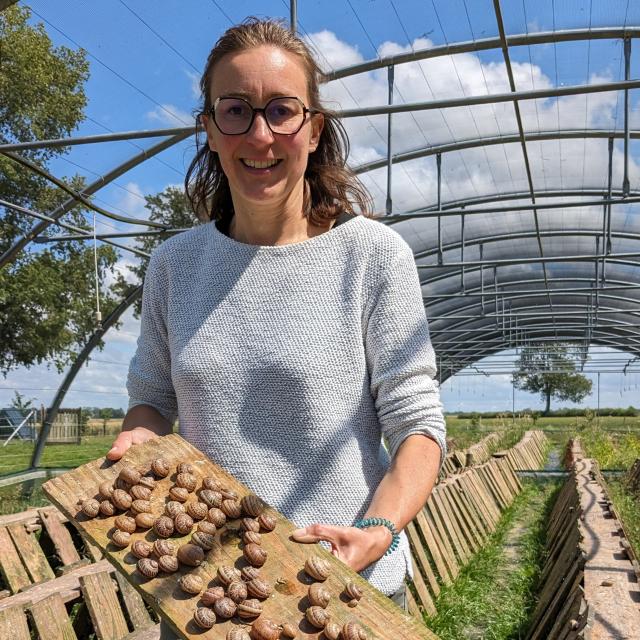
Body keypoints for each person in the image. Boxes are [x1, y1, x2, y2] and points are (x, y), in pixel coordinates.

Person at [108, 17, 446, 617]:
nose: (260, 135)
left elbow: (417, 425)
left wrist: (376, 528)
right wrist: (140, 433)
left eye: (282, 110)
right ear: (210, 130)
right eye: (235, 110)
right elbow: (153, 399)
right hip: (209, 591)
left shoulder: (371, 255)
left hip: (340, 586)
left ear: (314, 130)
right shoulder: (173, 267)